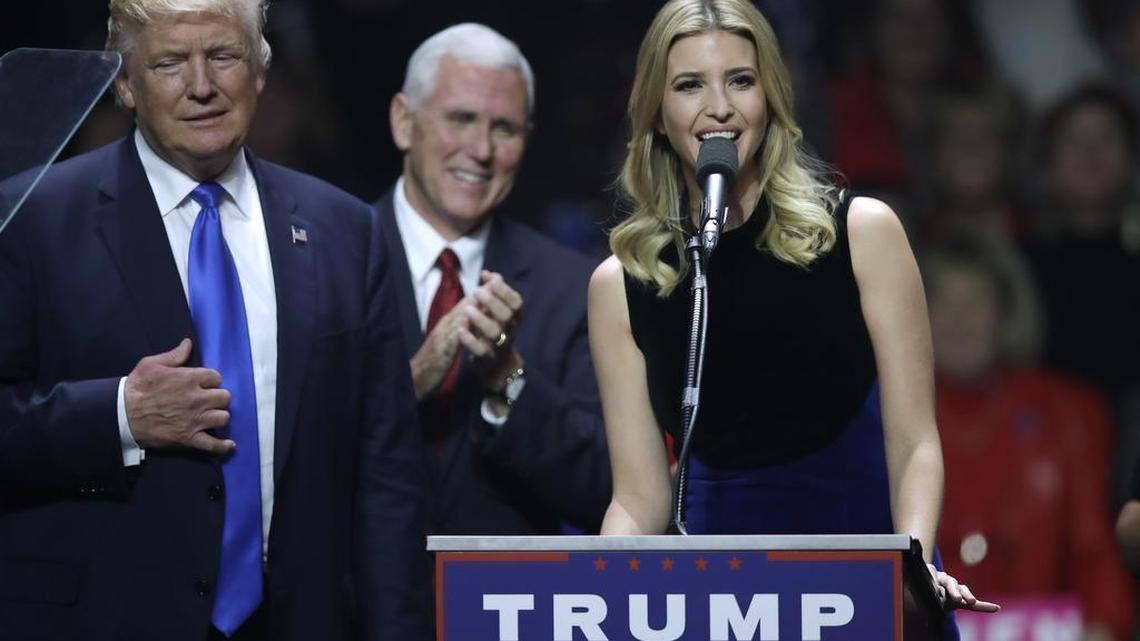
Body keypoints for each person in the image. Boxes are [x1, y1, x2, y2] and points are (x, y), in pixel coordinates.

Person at [0, 2, 429, 640]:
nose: (201, 86)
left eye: (223, 56)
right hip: (104, 618)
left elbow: (386, 470)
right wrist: (119, 415)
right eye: (170, 63)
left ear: (260, 70)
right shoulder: (35, 217)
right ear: (123, 83)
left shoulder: (345, 231)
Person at [588, 0, 998, 631]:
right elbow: (639, 498)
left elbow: (915, 442)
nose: (718, 107)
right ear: (656, 114)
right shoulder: (625, 283)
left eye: (741, 81)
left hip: (865, 578)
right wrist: (589, 591)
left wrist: (909, 563)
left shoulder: (861, 234)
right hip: (724, 598)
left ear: (772, 99)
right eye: (690, 85)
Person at [373, 23, 610, 535]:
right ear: (403, 122)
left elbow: (606, 491)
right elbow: (289, 458)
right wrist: (411, 381)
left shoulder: (573, 287)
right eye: (460, 119)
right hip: (353, 606)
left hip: (507, 605)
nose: (481, 149)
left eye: (504, 128)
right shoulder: (331, 258)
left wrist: (508, 379)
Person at [926, 234, 1135, 640]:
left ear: (1006, 314)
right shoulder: (879, 417)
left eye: (976, 301)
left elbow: (1095, 553)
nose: (958, 318)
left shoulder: (1071, 413)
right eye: (941, 302)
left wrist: (1103, 627)